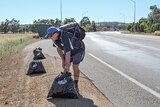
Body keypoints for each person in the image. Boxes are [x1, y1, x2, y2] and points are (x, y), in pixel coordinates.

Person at [45, 25, 85, 92]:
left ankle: (76, 85)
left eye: (50, 36)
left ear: (56, 33)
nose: (50, 38)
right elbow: (59, 49)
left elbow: (68, 53)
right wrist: (63, 61)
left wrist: (66, 66)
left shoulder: (65, 36)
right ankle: (67, 83)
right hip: (69, 51)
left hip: (78, 50)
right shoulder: (55, 39)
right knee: (66, 65)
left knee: (75, 66)